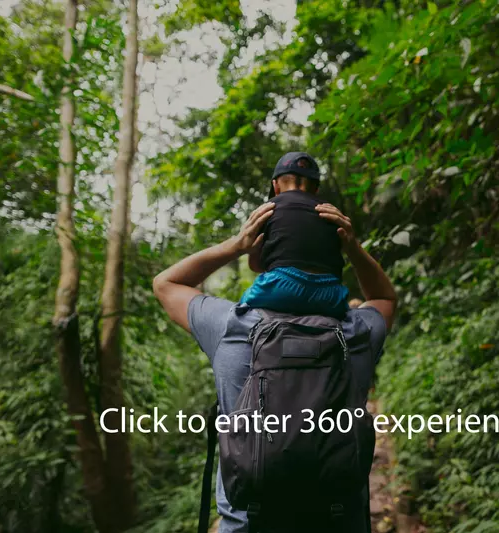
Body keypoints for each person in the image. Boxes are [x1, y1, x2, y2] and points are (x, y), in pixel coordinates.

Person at [153, 201, 397, 533]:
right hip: (339, 520)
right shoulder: (358, 332)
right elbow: (386, 298)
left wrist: (236, 246)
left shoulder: (231, 326)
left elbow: (165, 284)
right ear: (332, 261)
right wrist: (353, 248)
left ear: (266, 263)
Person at [240, 151, 350, 319]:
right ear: (316, 190)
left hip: (281, 287)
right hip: (330, 294)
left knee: (241, 310)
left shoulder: (267, 209)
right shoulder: (332, 212)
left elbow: (255, 265)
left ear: (276, 186)